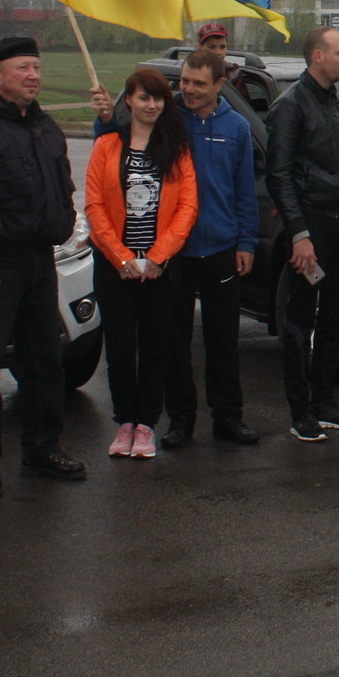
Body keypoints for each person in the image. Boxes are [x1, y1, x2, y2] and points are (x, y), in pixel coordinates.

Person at [97, 50, 263, 446]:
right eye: (185, 81)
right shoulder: (170, 124)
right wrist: (103, 118)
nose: (187, 89)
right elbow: (117, 147)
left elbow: (245, 190)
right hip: (174, 252)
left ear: (219, 85)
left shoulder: (237, 127)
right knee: (173, 340)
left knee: (223, 339)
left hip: (221, 246)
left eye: (198, 83)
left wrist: (246, 241)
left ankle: (228, 416)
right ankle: (180, 419)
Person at [0, 36, 86, 494]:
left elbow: (63, 184)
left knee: (44, 361)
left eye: (36, 67)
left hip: (41, 259)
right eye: (22, 68)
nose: (33, 75)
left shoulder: (45, 126)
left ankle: (42, 449)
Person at [84, 68, 198, 458]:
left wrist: (157, 257)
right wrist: (120, 257)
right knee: (118, 348)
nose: (151, 105)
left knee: (154, 347)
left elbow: (187, 208)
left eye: (158, 98)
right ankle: (125, 423)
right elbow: (94, 206)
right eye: (143, 98)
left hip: (158, 270)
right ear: (128, 100)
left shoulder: (176, 148)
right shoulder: (107, 146)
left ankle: (147, 423)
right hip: (115, 268)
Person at [266, 26, 339, 441]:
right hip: (312, 225)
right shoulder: (289, 107)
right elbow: (280, 175)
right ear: (317, 57)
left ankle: (325, 402)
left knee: (336, 316)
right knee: (300, 317)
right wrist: (299, 233)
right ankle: (301, 410)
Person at [196, 21, 252, 96]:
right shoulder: (189, 71)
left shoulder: (233, 74)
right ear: (200, 48)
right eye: (211, 47)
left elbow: (241, 105)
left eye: (222, 47)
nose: (218, 52)